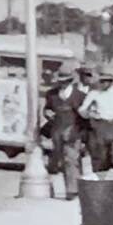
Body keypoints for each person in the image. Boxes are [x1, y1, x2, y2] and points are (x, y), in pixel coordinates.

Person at [40, 68, 85, 198]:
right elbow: (47, 109)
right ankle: (56, 188)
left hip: (73, 132)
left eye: (65, 81)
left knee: (70, 159)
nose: (62, 84)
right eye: (60, 82)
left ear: (70, 81)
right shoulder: (51, 94)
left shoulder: (80, 96)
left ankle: (72, 190)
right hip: (56, 131)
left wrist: (82, 135)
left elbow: (83, 119)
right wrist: (47, 113)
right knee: (57, 162)